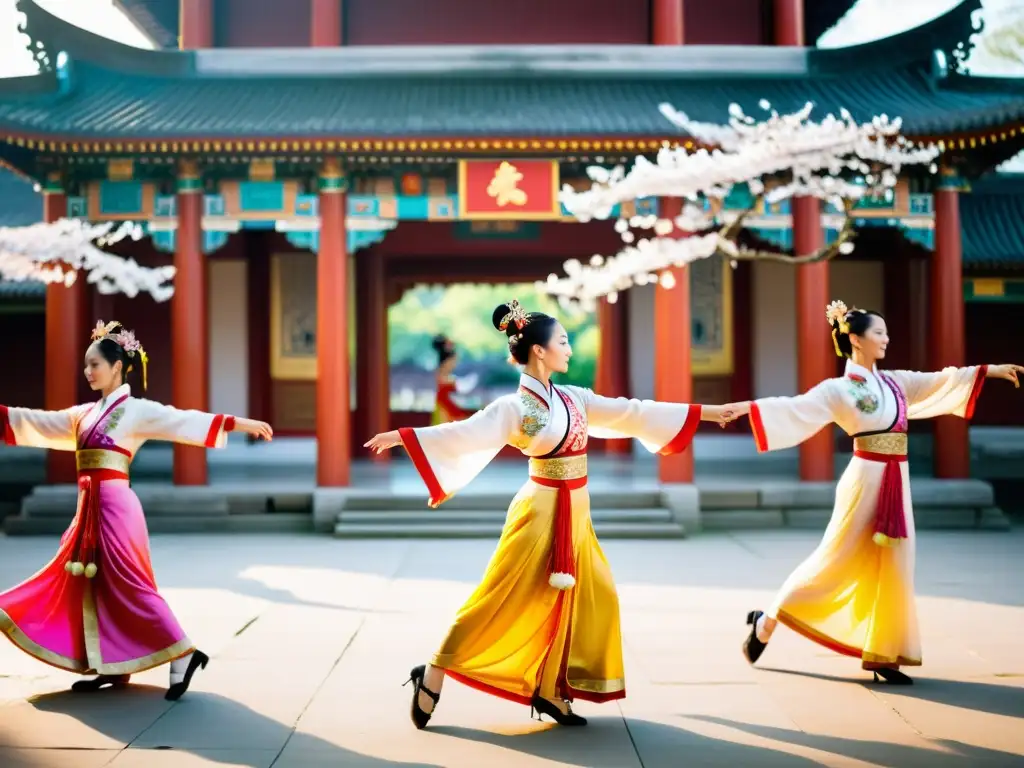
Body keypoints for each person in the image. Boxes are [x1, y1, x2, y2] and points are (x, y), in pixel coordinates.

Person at [365, 299, 732, 728]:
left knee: (590, 598)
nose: (570, 349)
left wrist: (703, 413)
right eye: (563, 340)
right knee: (498, 600)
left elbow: (633, 411)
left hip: (576, 510)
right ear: (539, 350)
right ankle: (433, 672)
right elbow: (464, 433)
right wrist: (403, 437)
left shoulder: (575, 398)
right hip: (539, 510)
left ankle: (551, 691)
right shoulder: (515, 407)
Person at [721, 300, 1022, 685]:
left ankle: (884, 654)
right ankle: (766, 621)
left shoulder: (896, 381)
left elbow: (939, 380)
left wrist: (990, 371)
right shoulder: (838, 389)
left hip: (897, 480)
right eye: (878, 332)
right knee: (832, 561)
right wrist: (748, 408)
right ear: (855, 340)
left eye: (885, 331)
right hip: (865, 480)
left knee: (897, 565)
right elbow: (794, 408)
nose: (886, 338)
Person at [0, 320, 273, 700]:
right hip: (88, 510)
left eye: (95, 364)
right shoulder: (83, 415)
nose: (88, 372)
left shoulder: (136, 411)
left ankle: (184, 655)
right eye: (85, 365)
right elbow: (35, 421)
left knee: (131, 585)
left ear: (117, 367)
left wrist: (237, 422)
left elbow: (182, 420)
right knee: (89, 584)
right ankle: (110, 664)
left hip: (116, 509)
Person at [430, 334, 478, 425]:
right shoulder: (443, 376)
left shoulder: (444, 375)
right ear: (447, 362)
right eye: (453, 361)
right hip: (445, 406)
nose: (454, 364)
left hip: (445, 404)